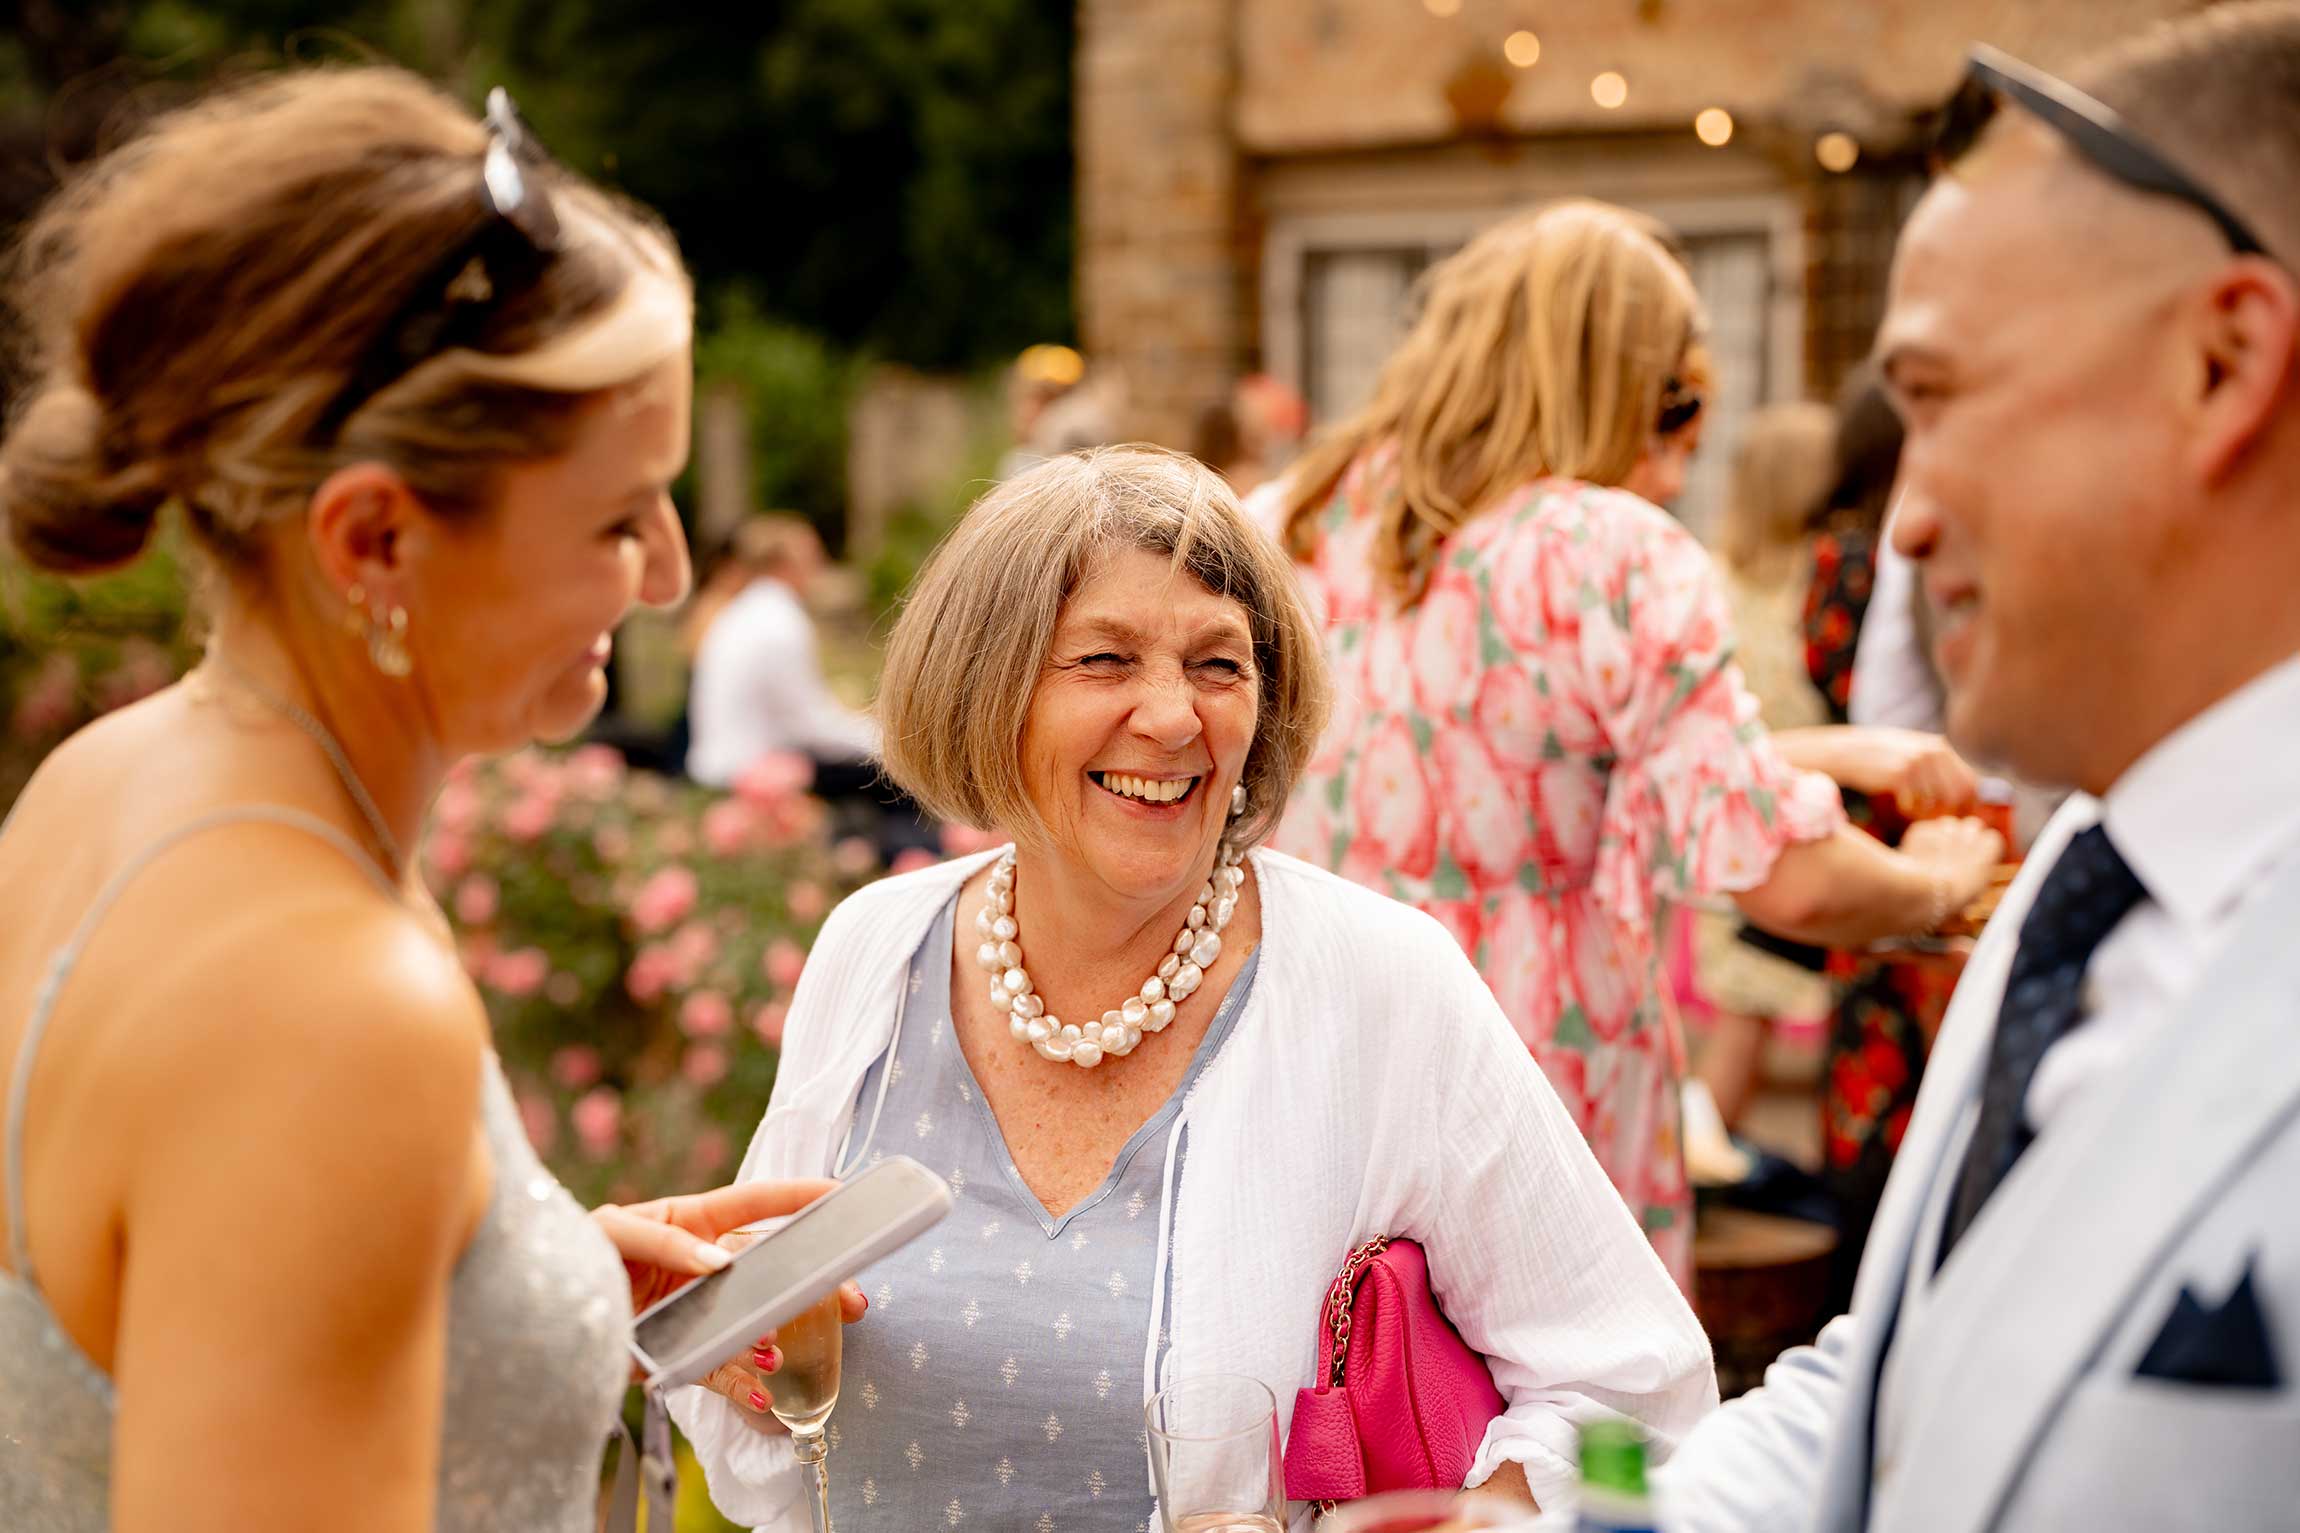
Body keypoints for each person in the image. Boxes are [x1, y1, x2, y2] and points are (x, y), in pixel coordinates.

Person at [0, 71, 858, 1532]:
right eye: (617, 517)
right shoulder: (328, 1007)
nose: (666, 574)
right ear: (376, 540)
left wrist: (528, 1287)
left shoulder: (108, 779)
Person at [673, 447, 1717, 1530]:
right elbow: (756, 1415)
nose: (1173, 718)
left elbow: (1636, 1386)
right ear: (986, 686)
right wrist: (732, 1348)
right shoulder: (876, 950)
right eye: (1105, 659)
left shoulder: (1379, 981)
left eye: (1219, 665)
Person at [1658, 8, 2300, 1527]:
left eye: (1941, 400)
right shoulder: (2078, 880)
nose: (1908, 521)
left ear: (2221, 363)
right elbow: (1890, 1394)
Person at [1263, 201, 2003, 1288]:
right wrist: (1937, 884)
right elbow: (1789, 881)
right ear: (1611, 380)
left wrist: (1818, 753)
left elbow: (1495, 758)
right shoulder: (1606, 550)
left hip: (1314, 1074)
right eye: (1674, 404)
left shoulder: (1288, 521)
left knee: (1341, 1379)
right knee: (1557, 1389)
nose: (1672, 463)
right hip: (1533, 1087)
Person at [684, 514, 877, 784]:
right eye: (813, 559)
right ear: (785, 564)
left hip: (717, 765)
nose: (820, 569)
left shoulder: (745, 610)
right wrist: (881, 739)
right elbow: (810, 724)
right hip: (746, 774)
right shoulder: (780, 617)